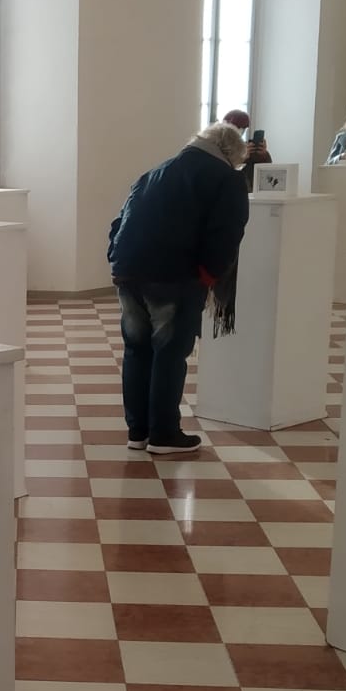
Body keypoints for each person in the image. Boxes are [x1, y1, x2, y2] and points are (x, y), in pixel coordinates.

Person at [108, 122, 250, 456]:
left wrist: (116, 258)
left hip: (129, 271)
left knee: (137, 349)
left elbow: (119, 222)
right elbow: (228, 234)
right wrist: (208, 275)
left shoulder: (155, 172)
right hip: (175, 275)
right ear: (231, 154)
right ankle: (164, 434)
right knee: (170, 352)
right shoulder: (227, 179)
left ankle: (138, 432)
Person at [222, 109, 271, 191]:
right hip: (228, 190)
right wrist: (241, 158)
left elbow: (266, 171)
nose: (241, 131)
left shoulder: (246, 147)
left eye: (244, 128)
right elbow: (223, 170)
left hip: (249, 191)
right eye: (238, 127)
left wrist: (264, 155)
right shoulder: (218, 148)